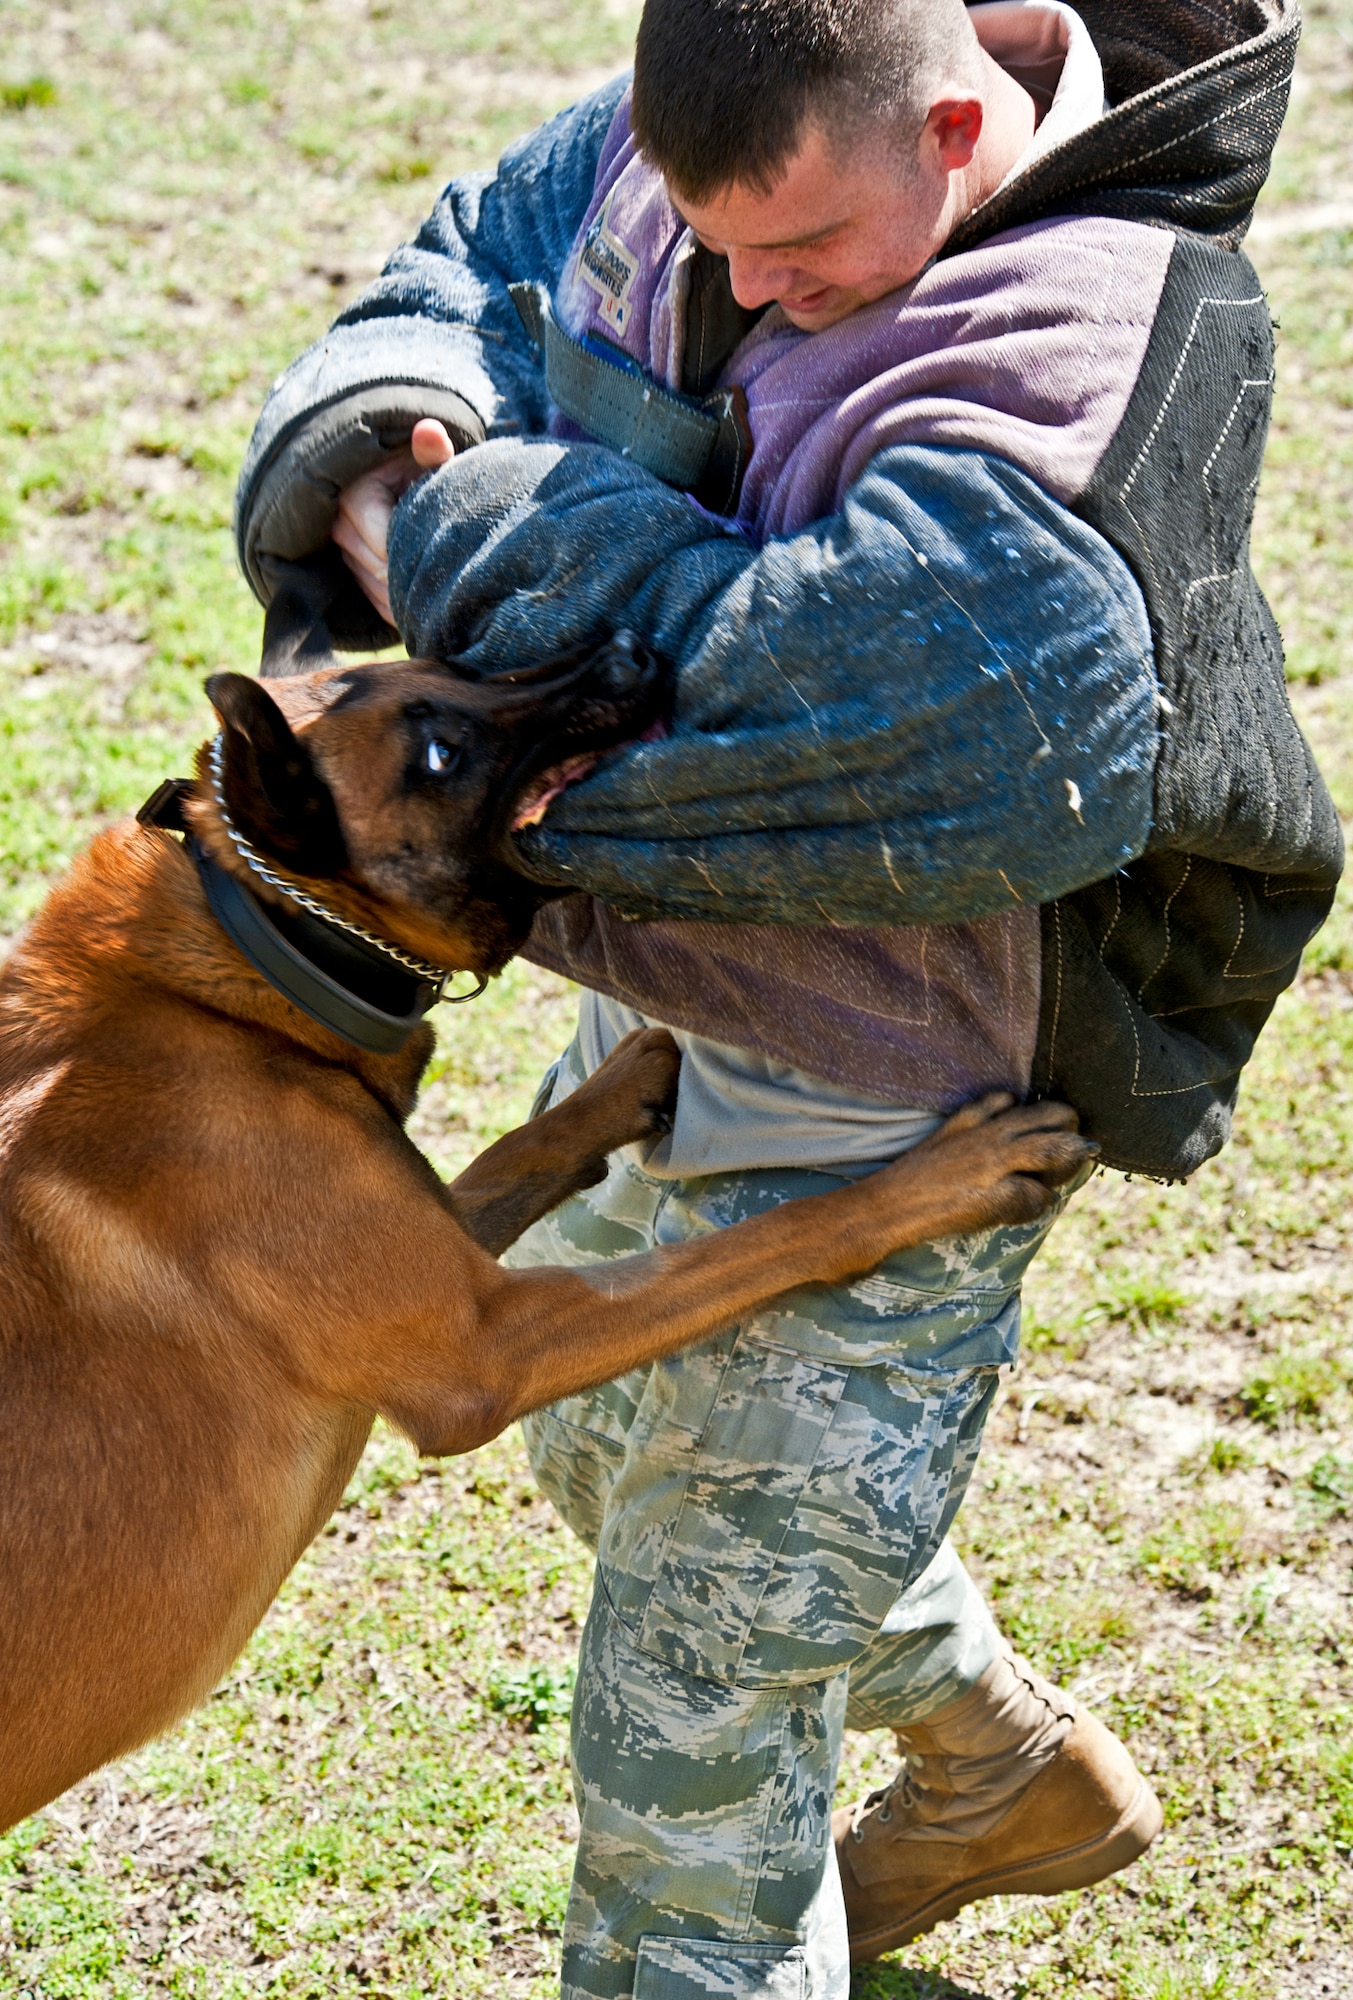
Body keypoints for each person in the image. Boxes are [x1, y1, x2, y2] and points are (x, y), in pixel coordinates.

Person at [234, 0, 1338, 1994]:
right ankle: (992, 1756)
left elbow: (904, 737)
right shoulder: (744, 132)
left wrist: (455, 531)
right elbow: (464, 264)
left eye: (795, 254)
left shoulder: (1086, 341)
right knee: (600, 1448)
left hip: (898, 1080)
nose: (740, 293)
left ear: (946, 127)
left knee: (688, 1766)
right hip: (670, 1021)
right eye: (706, 237)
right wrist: (368, 431)